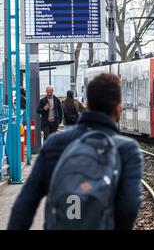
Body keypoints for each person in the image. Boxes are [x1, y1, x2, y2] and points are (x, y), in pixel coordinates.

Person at [7, 73, 143, 230]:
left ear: (88, 105)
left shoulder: (55, 144)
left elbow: (26, 202)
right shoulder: (127, 149)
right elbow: (128, 207)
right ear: (119, 108)